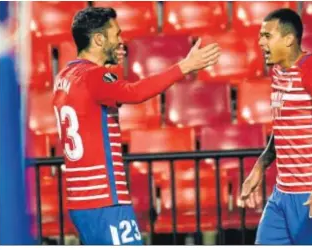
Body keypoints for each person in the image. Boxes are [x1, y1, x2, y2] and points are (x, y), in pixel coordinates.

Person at [52, 7, 220, 245]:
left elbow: (99, 104)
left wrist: (109, 68)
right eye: (116, 34)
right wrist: (185, 66)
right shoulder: (94, 77)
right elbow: (134, 92)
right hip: (106, 200)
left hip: (80, 203)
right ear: (99, 39)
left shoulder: (65, 76)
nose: (120, 40)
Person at [237, 8, 312, 245]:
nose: (260, 42)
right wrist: (260, 166)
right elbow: (283, 127)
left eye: (267, 36)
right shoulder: (278, 72)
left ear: (288, 40)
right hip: (282, 196)